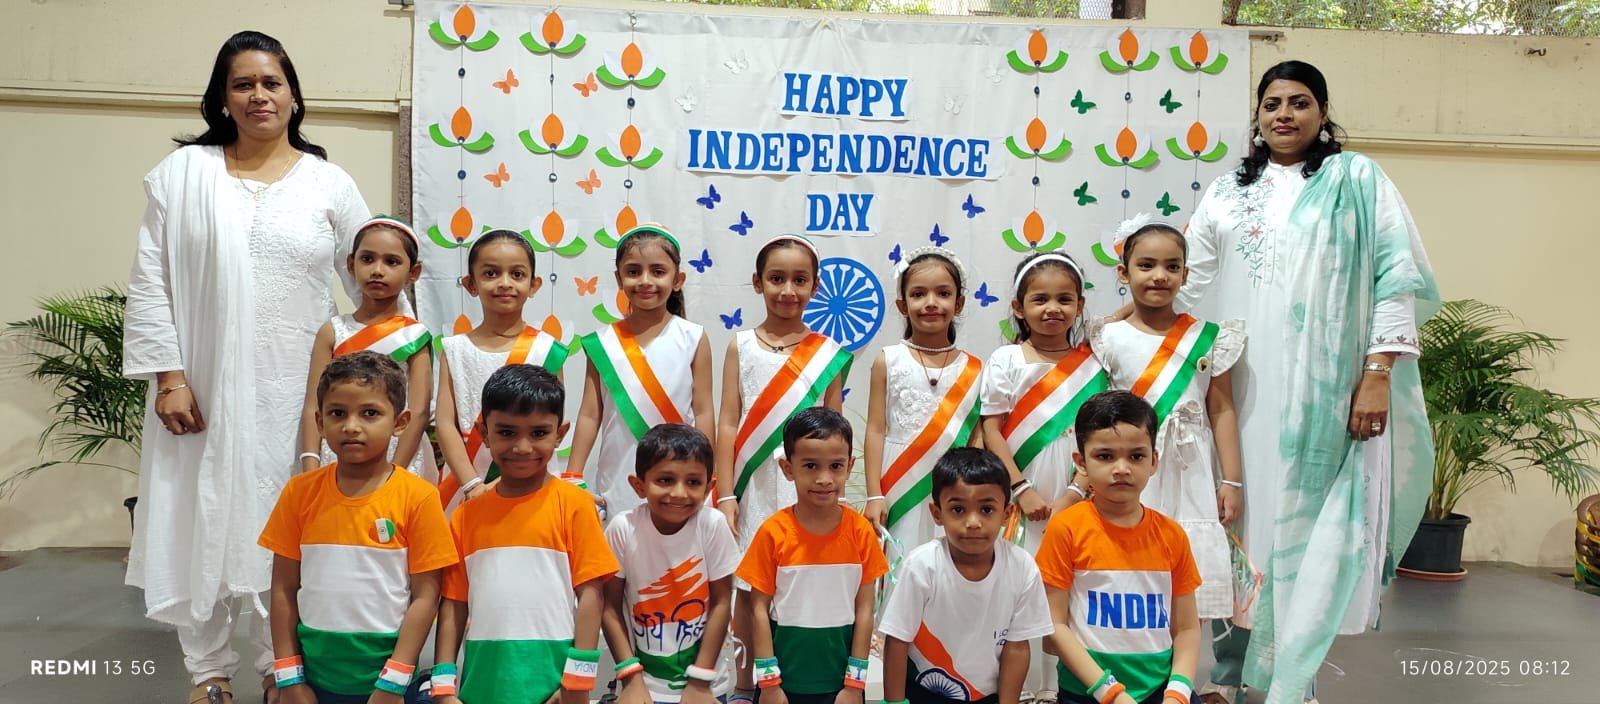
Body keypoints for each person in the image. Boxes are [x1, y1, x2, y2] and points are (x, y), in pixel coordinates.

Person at [121, 30, 372, 704]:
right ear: (223, 99)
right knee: (200, 512)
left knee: (288, 514)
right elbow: (151, 281)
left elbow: (375, 276)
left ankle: (278, 664)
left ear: (293, 95)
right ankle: (208, 670)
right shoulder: (184, 175)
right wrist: (169, 378)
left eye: (271, 82)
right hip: (202, 384)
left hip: (299, 389)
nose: (259, 95)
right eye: (243, 84)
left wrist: (384, 377)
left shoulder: (328, 182)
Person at [1180, 60, 1438, 704]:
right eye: (1272, 103)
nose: (1284, 115)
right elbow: (1188, 282)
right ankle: (1230, 670)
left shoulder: (1357, 180)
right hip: (1234, 390)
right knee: (1235, 517)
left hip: (1322, 395)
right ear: (1257, 115)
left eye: (1299, 102)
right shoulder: (1225, 191)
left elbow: (1395, 276)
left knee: (1300, 526)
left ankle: (1292, 678)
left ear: (1323, 113)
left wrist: (1377, 372)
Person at [259, 352, 456, 704]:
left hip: (389, 684)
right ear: (319, 422)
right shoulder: (299, 493)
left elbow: (426, 598)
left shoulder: (420, 497)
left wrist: (393, 684)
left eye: (370, 413)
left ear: (400, 422)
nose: (351, 426)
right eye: (338, 413)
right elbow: (283, 589)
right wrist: (289, 679)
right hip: (312, 682)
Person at [713, 234, 851, 701]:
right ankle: (744, 685)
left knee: (802, 581)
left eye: (799, 280)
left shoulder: (828, 352)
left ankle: (799, 679)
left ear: (815, 286)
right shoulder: (740, 345)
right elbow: (728, 422)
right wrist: (726, 494)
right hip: (752, 486)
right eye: (776, 279)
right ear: (758, 283)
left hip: (806, 486)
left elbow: (836, 428)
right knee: (748, 585)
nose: (787, 290)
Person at [430, 365, 619, 704]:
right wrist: (443, 686)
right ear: (484, 433)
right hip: (482, 686)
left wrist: (577, 682)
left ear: (559, 434)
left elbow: (592, 596)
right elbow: (454, 605)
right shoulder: (466, 515)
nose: (522, 447)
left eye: (538, 433)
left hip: (556, 687)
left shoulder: (575, 505)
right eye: (506, 432)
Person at [1090, 220, 1244, 622]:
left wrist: (1231, 481)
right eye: (1146, 265)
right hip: (1132, 466)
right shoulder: (1107, 337)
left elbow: (1221, 409)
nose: (1159, 276)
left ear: (1185, 275)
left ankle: (1184, 656)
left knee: (1187, 580)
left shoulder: (1207, 337)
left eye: (1172, 266)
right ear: (1123, 273)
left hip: (1191, 468)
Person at [1036, 391, 1202, 704]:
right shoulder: (1065, 529)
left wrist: (1178, 693)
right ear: (1081, 463)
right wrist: (1110, 693)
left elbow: (1187, 628)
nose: (1122, 468)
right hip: (1088, 693)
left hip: (1161, 691)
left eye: (1136, 456)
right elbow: (1054, 626)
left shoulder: (1173, 535)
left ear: (1153, 461)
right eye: (1105, 456)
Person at [735, 408, 889, 704]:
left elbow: (865, 611)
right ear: (787, 468)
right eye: (810, 466)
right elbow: (758, 610)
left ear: (849, 466)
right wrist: (769, 684)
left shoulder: (861, 532)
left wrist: (854, 685)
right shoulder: (772, 532)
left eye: (835, 466)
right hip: (781, 686)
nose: (824, 478)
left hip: (841, 688)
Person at [878, 447, 1054, 704]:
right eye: (958, 510)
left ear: (1006, 514)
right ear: (937, 513)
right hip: (923, 692)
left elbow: (1016, 647)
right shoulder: (922, 566)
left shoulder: (1022, 567)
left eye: (987, 510)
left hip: (989, 695)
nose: (973, 522)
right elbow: (897, 640)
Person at [571, 225, 717, 521]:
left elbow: (703, 411)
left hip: (680, 476)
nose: (645, 281)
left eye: (658, 272)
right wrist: (572, 474)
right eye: (634, 272)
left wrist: (705, 472)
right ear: (619, 278)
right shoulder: (601, 343)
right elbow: (590, 414)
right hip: (618, 474)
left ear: (677, 280)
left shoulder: (693, 337)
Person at [602, 423, 739, 704]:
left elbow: (722, 602)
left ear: (709, 487)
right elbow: (609, 607)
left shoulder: (712, 525)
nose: (679, 493)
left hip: (706, 687)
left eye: (693, 482)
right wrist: (630, 678)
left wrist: (700, 680)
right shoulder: (622, 529)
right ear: (639, 485)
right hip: (643, 688)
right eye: (665, 480)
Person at [434, 230, 569, 515]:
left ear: (534, 284)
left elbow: (549, 424)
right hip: (466, 485)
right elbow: (445, 424)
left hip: (532, 482)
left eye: (517, 274)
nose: (504, 283)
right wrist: (472, 484)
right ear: (471, 284)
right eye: (491, 273)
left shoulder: (549, 350)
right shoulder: (454, 349)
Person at [864, 247, 986, 550]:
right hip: (898, 482)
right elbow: (876, 430)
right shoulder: (888, 360)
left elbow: (977, 438)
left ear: (959, 303)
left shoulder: (974, 368)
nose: (931, 303)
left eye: (943, 294)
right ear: (902, 305)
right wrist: (874, 494)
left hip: (954, 486)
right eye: (918, 294)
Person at [298, 216, 434, 479]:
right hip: (341, 451)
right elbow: (313, 406)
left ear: (413, 272)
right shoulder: (332, 332)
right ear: (351, 264)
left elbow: (418, 412)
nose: (377, 270)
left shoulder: (414, 336)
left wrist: (394, 474)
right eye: (368, 259)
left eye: (391, 262)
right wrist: (310, 467)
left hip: (398, 456)